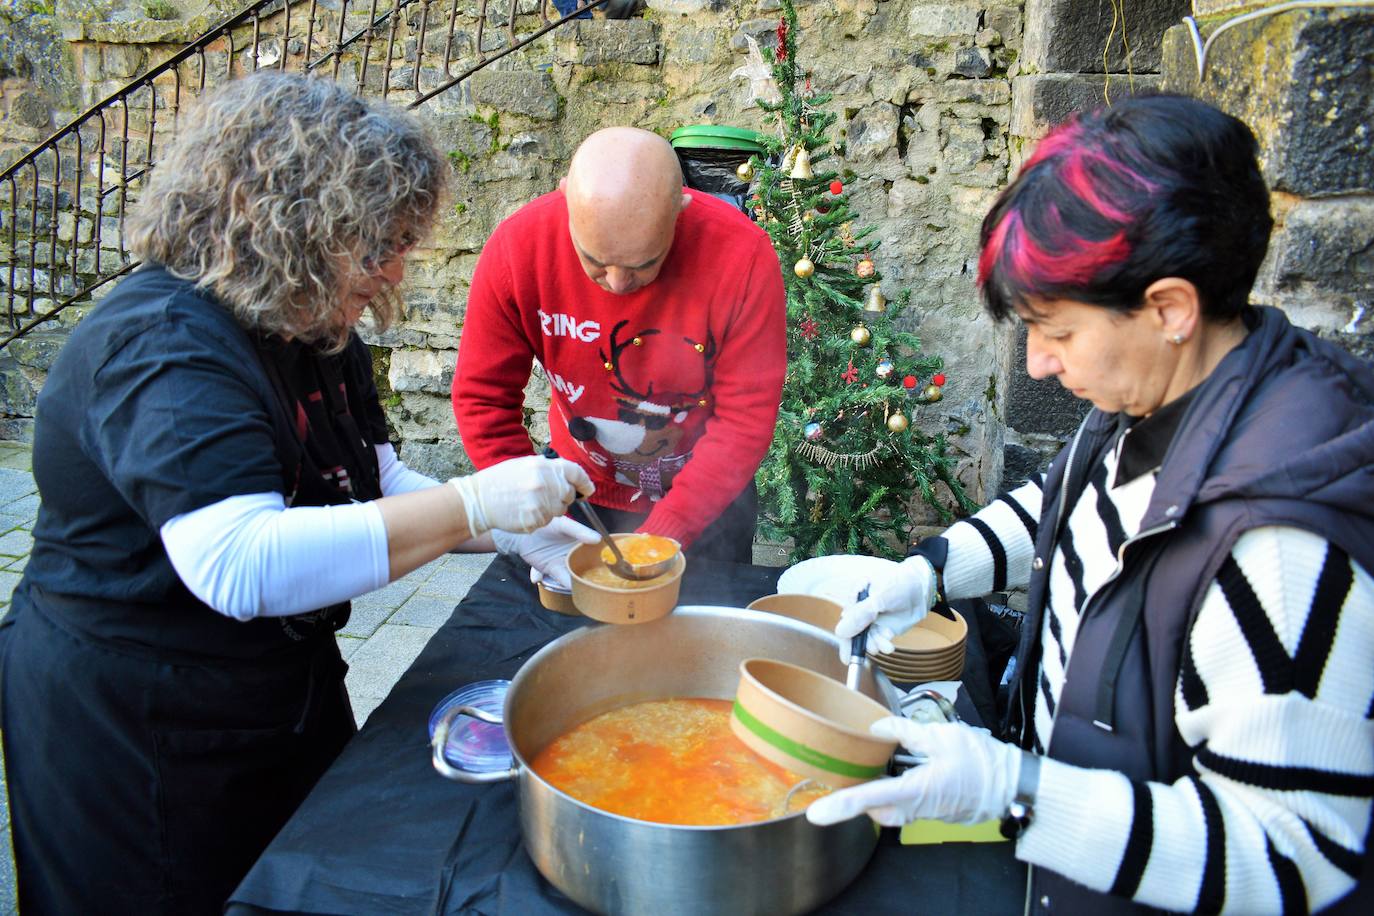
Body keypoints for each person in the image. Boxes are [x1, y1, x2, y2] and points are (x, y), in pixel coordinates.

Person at [0, 72, 596, 915]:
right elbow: (242, 566)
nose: (395, 266)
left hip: (274, 690)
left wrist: (515, 534)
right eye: (376, 240)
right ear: (291, 220)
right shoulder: (161, 346)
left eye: (401, 240)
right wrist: (474, 501)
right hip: (137, 719)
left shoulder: (311, 323)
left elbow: (373, 477)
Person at [806, 94, 1373, 914]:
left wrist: (1017, 793)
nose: (1037, 364)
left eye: (1057, 332)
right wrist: (925, 574)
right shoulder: (1176, 387)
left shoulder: (1278, 546)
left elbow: (1286, 858)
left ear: (1170, 308)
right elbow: (1061, 504)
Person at [451, 126, 786, 568]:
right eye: (594, 261)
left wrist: (664, 533)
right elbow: (482, 397)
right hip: (575, 493)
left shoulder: (742, 256)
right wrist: (529, 506)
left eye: (643, 264)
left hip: (708, 500)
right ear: (565, 197)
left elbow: (745, 420)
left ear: (679, 209)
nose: (617, 284)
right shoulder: (518, 250)